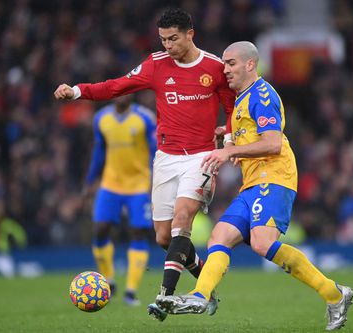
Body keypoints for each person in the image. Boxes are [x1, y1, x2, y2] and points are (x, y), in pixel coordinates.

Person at [155, 41, 353, 331]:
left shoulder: (262, 94)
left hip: (274, 177)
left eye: (231, 64)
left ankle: (334, 294)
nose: (225, 70)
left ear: (250, 64)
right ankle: (200, 296)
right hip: (252, 183)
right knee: (218, 238)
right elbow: (249, 132)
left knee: (262, 243)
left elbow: (273, 143)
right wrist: (229, 135)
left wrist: (228, 152)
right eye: (223, 64)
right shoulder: (241, 99)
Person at [54, 8, 235, 321]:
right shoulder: (156, 64)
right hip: (166, 159)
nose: (167, 45)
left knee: (182, 220)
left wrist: (229, 141)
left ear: (190, 34)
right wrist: (77, 91)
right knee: (164, 238)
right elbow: (117, 86)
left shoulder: (214, 68)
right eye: (163, 39)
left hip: (201, 157)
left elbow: (232, 108)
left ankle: (165, 296)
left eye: (173, 39)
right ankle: (205, 285)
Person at [83, 94, 156, 306]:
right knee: (100, 229)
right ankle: (109, 279)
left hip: (139, 184)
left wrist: (155, 180)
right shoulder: (101, 118)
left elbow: (154, 152)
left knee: (138, 232)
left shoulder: (145, 118)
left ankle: (131, 290)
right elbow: (99, 152)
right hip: (110, 184)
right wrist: (89, 181)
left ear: (132, 94)